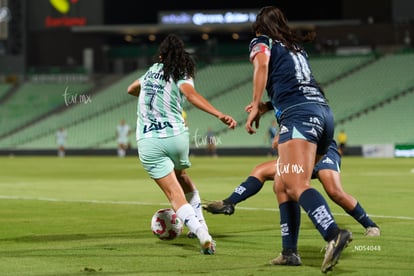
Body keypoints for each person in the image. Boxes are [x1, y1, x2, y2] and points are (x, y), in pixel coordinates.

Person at [244, 6, 352, 273]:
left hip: (299, 117)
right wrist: (270, 107)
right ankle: (289, 252)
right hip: (323, 114)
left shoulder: (261, 40)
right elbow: (294, 84)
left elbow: (262, 65)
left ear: (260, 28)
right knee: (282, 184)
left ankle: (332, 233)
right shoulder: (295, 48)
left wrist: (256, 104)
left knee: (295, 183)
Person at [127, 34, 237, 255]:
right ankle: (203, 225)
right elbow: (191, 94)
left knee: (174, 195)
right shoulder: (181, 72)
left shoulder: (150, 72)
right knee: (182, 176)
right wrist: (218, 114)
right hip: (176, 137)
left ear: (160, 55)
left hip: (149, 141)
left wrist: (148, 90)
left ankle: (201, 233)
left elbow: (130, 89)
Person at [204, 139, 381, 263]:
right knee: (262, 171)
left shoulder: (294, 99)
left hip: (321, 149)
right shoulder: (283, 101)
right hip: (298, 152)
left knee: (334, 191)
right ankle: (229, 203)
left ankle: (370, 225)